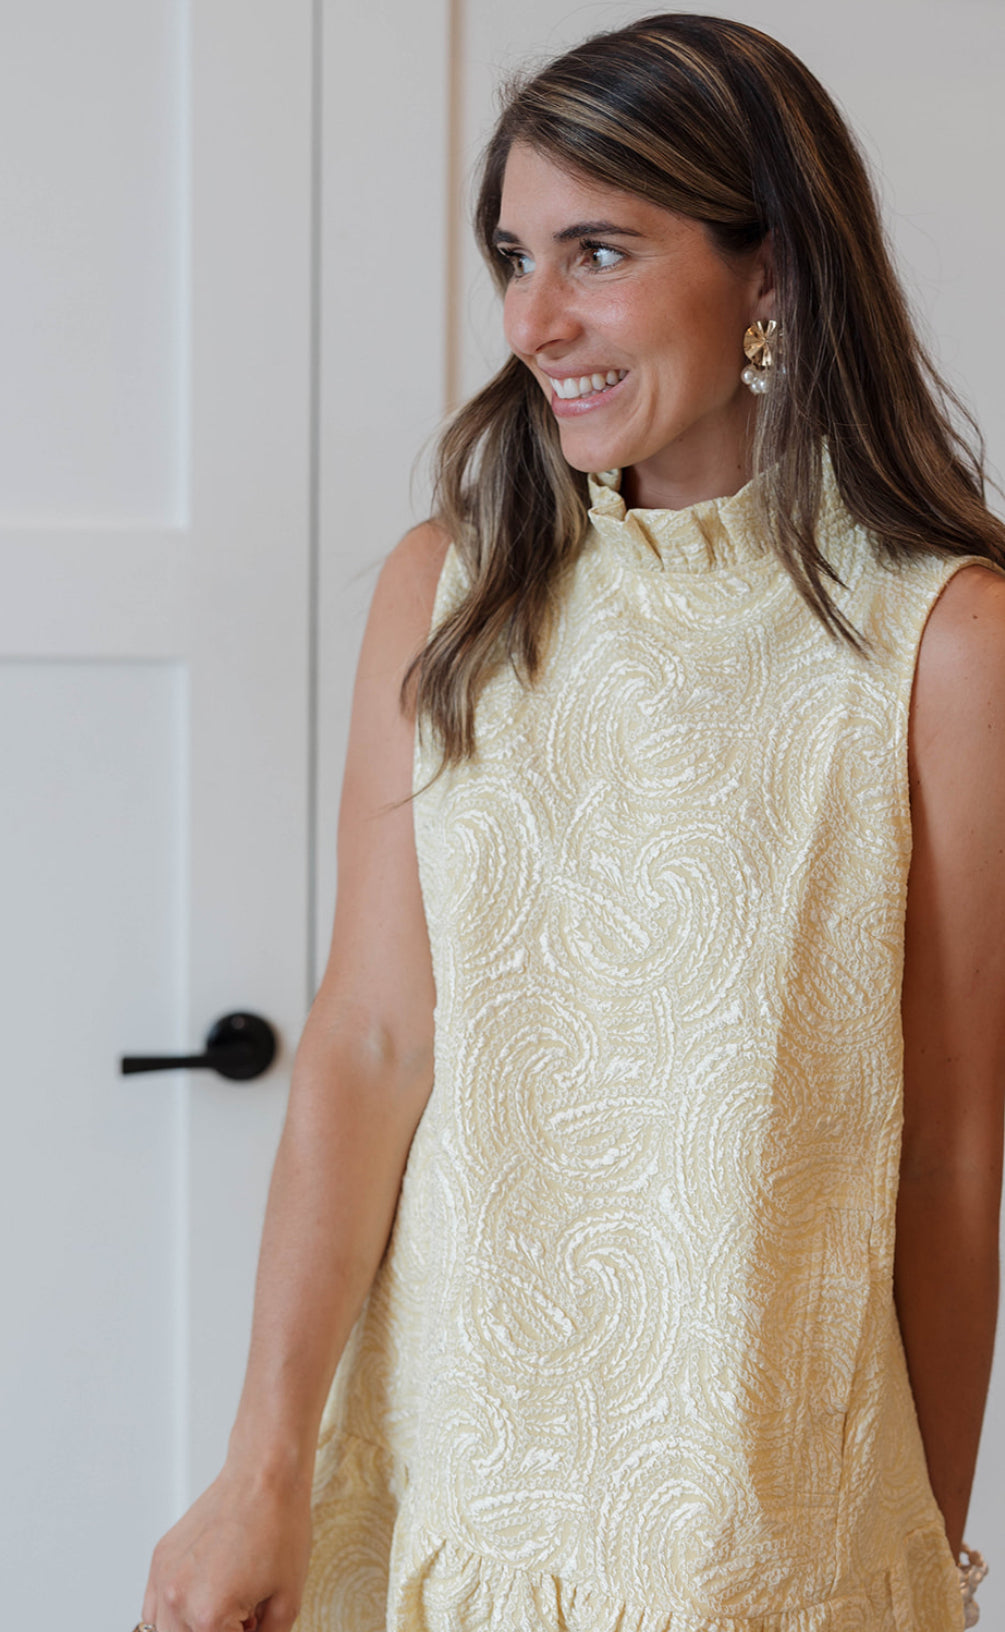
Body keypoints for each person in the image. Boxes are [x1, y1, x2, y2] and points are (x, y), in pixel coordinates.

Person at [138, 13, 1005, 1632]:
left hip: (766, 1546)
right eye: (513, 256)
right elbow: (370, 1041)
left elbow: (951, 1156)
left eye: (595, 252)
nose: (534, 320)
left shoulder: (940, 643)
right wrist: (261, 1468)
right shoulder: (448, 591)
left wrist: (919, 1559)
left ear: (767, 268)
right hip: (444, 1502)